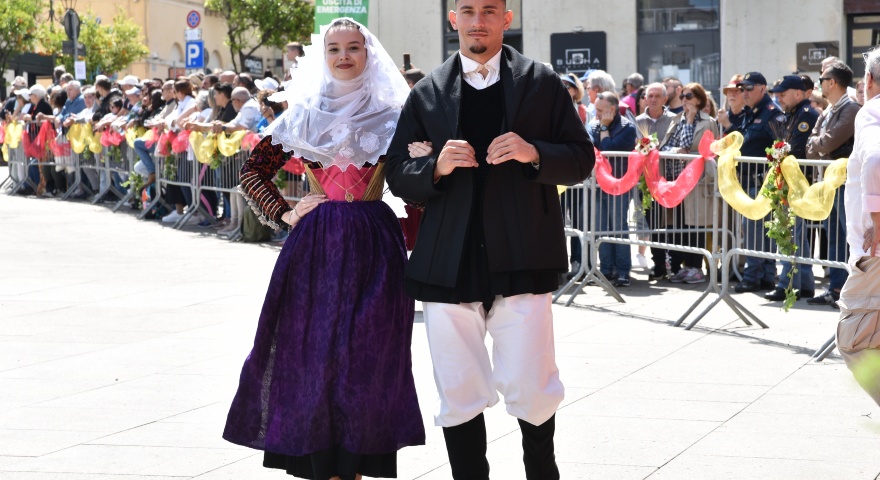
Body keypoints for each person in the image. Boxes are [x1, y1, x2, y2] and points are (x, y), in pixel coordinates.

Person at [385, 1, 594, 478]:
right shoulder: (427, 92)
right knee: (458, 390)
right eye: (467, 9)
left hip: (524, 253)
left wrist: (533, 151)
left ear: (506, 19)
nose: (478, 18)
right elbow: (398, 172)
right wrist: (435, 165)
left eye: (489, 9)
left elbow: (581, 158)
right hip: (447, 261)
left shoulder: (541, 82)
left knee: (533, 385)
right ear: (452, 19)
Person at [223, 18, 425, 480]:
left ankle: (354, 465)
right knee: (314, 355)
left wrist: (422, 162)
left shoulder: (396, 113)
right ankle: (321, 465)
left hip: (376, 243)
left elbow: (415, 191)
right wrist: (288, 213)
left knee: (367, 356)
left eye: (353, 48)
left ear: (369, 55)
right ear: (323, 56)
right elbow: (253, 172)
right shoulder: (303, 113)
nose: (344, 56)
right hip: (317, 246)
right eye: (334, 49)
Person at [836, 48, 880, 406]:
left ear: (867, 81)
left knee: (855, 341)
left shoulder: (873, 110)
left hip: (876, 252)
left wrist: (879, 220)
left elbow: (877, 159)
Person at [806, 61, 860, 307]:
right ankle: (836, 287)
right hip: (828, 183)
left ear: (832, 82)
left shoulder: (851, 109)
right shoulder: (827, 111)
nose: (819, 84)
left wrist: (819, 144)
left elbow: (826, 143)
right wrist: (820, 144)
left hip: (844, 183)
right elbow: (810, 147)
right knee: (835, 238)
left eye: (822, 80)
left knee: (847, 237)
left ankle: (851, 289)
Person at [763, 75, 819, 302]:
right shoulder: (794, 114)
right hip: (791, 182)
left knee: (789, 235)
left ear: (798, 94)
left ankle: (787, 284)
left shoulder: (806, 115)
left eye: (783, 94)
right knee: (796, 236)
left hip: (796, 184)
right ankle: (803, 283)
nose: (779, 97)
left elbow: (795, 150)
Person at [730, 71, 785, 293]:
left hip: (762, 181)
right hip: (747, 180)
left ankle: (754, 277)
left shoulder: (773, 114)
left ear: (762, 88)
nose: (744, 92)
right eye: (741, 88)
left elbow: (780, 146)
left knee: (756, 231)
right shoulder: (748, 113)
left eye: (749, 88)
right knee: (757, 231)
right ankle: (764, 277)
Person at [659, 83, 720, 284]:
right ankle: (680, 266)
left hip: (696, 182)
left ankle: (695, 267)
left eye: (689, 96)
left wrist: (691, 120)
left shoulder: (708, 122)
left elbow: (688, 146)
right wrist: (675, 151)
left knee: (695, 225)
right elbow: (666, 146)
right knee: (676, 226)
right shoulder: (676, 120)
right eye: (682, 96)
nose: (684, 99)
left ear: (699, 100)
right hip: (675, 181)